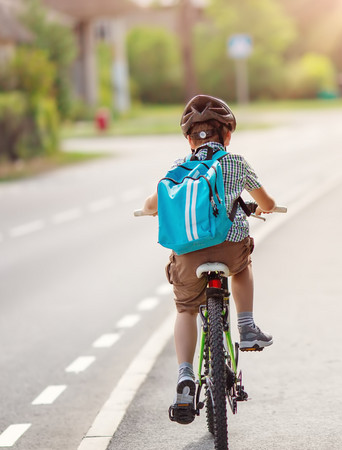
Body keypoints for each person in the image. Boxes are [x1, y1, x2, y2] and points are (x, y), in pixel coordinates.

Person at [139, 94, 277, 424]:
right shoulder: (237, 163)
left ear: (189, 138)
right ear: (227, 134)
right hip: (229, 248)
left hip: (188, 257)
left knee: (186, 308)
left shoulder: (177, 168)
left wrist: (149, 209)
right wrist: (263, 208)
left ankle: (185, 375)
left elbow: (152, 203)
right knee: (242, 266)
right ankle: (246, 327)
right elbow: (267, 202)